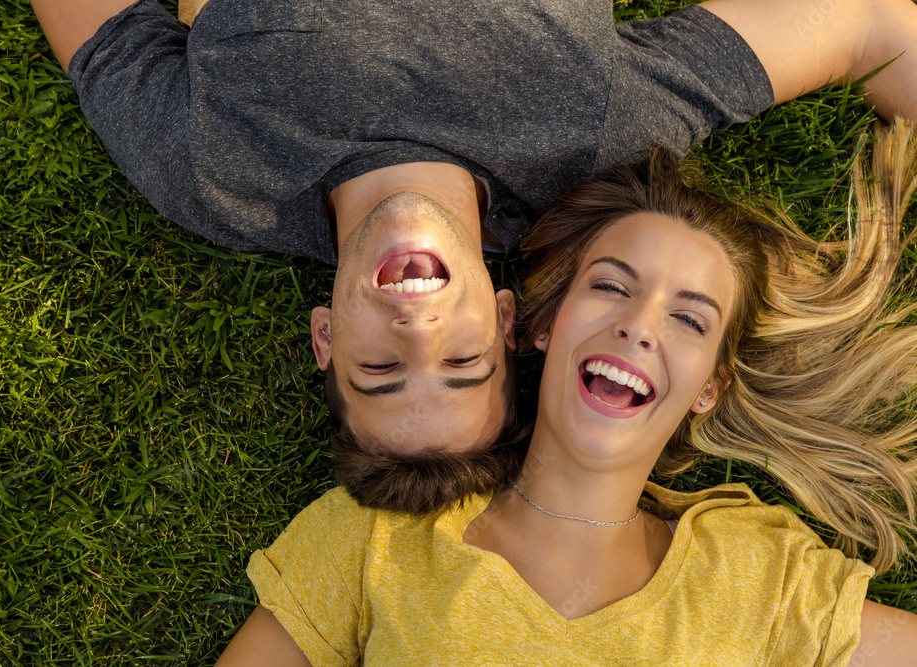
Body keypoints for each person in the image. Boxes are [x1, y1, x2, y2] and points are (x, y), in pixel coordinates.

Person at [28, 0, 917, 510]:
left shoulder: (217, 179)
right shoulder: (592, 138)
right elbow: (873, 25)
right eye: (460, 361)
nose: (416, 325)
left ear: (327, 335)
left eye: (382, 367)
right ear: (502, 317)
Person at [215, 121, 917, 665]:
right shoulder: (377, 541)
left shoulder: (763, 579)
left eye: (687, 319)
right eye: (611, 286)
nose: (638, 326)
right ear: (544, 324)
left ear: (709, 387)